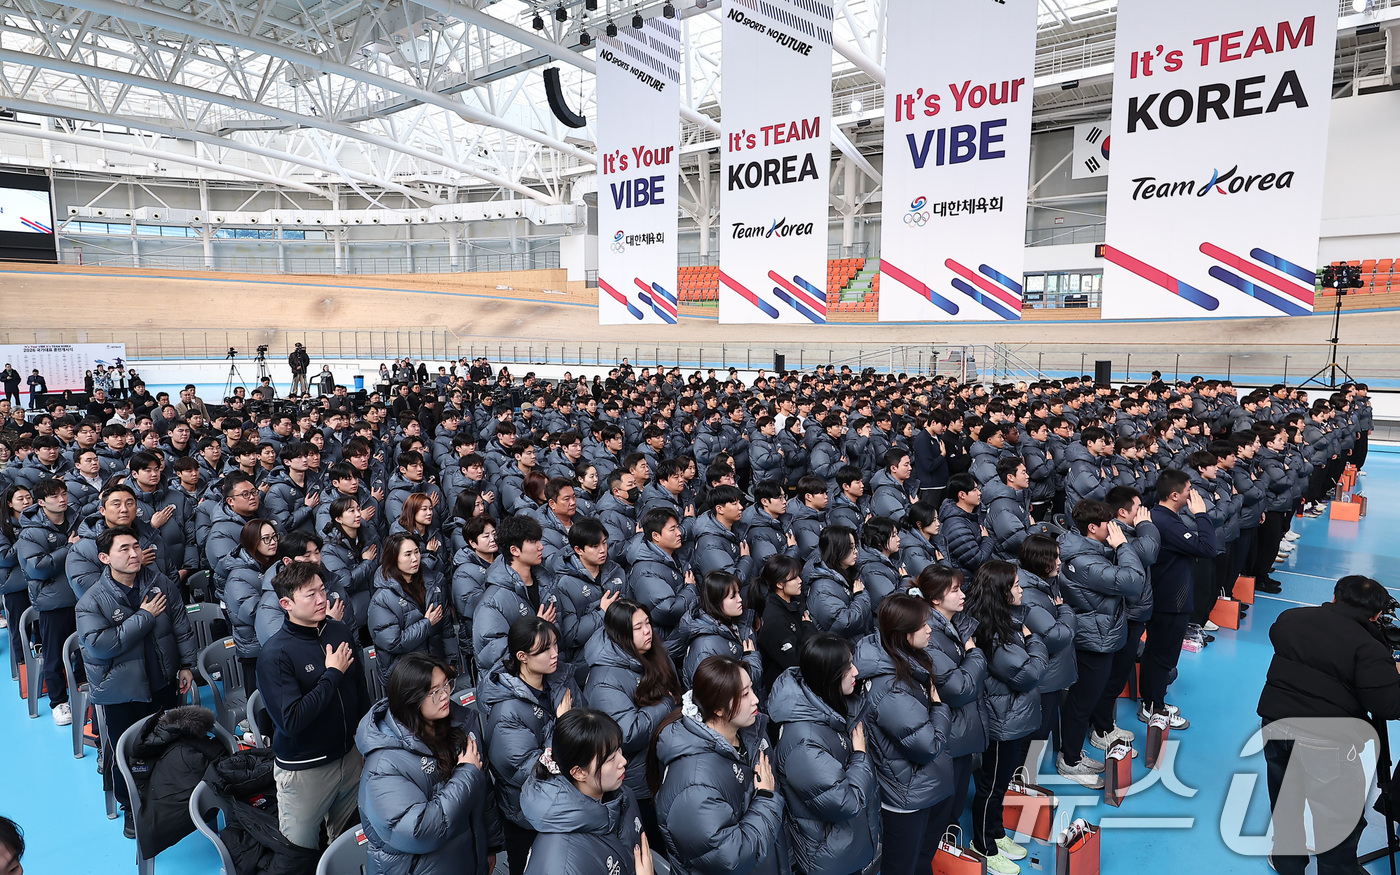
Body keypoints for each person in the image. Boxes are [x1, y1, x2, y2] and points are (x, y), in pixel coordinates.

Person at [1258, 575, 1400, 875]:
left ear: (1335, 597)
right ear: (1375, 615)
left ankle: (1288, 863)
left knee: (1285, 801)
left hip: (1275, 724)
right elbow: (1388, 706)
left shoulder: (1290, 618)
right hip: (1326, 741)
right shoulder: (1368, 648)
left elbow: (1281, 639)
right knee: (1339, 818)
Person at [75, 525, 195, 836]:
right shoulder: (92, 600)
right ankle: (131, 807)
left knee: (168, 744)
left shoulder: (160, 583)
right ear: (105, 557)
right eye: (124, 549)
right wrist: (143, 616)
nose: (133, 554)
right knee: (128, 753)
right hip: (121, 691)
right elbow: (101, 645)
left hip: (162, 680)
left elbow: (180, 624)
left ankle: (169, 801)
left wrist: (186, 664)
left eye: (136, 547)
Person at [256, 561, 370, 851]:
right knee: (298, 854)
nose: (323, 600)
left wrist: (366, 740)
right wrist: (332, 674)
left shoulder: (338, 631)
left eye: (323, 590)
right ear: (286, 603)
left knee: (351, 844)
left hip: (350, 757)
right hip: (305, 770)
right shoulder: (276, 654)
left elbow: (359, 690)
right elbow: (291, 721)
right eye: (310, 595)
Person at [356, 652, 494, 875]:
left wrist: (489, 846)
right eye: (433, 692)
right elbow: (419, 832)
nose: (445, 695)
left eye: (446, 685)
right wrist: (466, 773)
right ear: (410, 699)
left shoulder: (454, 728)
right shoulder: (382, 766)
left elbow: (482, 793)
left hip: (465, 859)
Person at [649, 654, 787, 875]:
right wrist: (765, 799)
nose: (755, 700)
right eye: (744, 694)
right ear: (719, 709)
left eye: (752, 689)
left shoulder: (748, 730)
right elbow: (731, 857)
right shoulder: (693, 785)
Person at [853, 594, 952, 875]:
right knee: (902, 867)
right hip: (907, 796)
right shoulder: (889, 688)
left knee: (920, 862)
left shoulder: (907, 661)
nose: (930, 629)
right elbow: (927, 744)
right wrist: (939, 707)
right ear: (904, 634)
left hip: (923, 787)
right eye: (923, 626)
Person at [768, 633, 880, 875]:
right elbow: (847, 802)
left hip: (846, 846)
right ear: (829, 676)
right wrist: (860, 755)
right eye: (848, 667)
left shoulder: (833, 706)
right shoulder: (803, 743)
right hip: (830, 859)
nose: (856, 672)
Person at [1056, 499, 1147, 789]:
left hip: (1099, 632)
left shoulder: (1086, 549)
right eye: (1109, 523)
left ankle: (1077, 751)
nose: (1115, 527)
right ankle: (1069, 761)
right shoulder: (1085, 562)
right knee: (1083, 701)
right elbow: (1133, 581)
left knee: (1089, 697)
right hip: (1093, 638)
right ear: (1092, 528)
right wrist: (1123, 546)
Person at [965, 560, 1049, 875]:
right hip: (1003, 722)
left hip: (1014, 717)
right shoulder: (991, 632)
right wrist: (1034, 640)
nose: (1021, 589)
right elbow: (1028, 673)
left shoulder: (1004, 620)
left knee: (1000, 783)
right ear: (1000, 593)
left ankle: (997, 833)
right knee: (992, 786)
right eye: (1014, 585)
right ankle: (983, 846)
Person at [479, 616, 580, 875]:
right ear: (522, 656)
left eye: (556, 645)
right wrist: (561, 724)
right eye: (544, 650)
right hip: (529, 816)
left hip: (572, 798)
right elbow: (530, 770)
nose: (554, 654)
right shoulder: (506, 713)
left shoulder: (560, 679)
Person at [909, 564, 988, 840]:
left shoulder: (954, 623)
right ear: (935, 600)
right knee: (944, 812)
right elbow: (959, 687)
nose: (963, 595)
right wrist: (974, 653)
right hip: (949, 732)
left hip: (961, 729)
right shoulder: (930, 637)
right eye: (955, 591)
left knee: (953, 805)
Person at [520, 708, 647, 875]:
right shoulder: (559, 865)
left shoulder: (622, 795)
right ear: (578, 772)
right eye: (610, 759)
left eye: (619, 750)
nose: (623, 761)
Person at [1141, 469, 1216, 729]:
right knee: (1164, 655)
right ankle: (1154, 707)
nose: (1191, 495)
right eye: (1187, 491)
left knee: (1156, 652)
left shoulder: (1160, 516)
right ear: (1174, 495)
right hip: (1171, 600)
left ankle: (1151, 701)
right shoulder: (1166, 522)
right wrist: (1202, 514)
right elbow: (1207, 548)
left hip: (1166, 596)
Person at [16, 478, 80, 725]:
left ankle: (84, 693)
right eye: (54, 496)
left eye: (64, 493)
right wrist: (68, 547)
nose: (62, 499)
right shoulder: (30, 532)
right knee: (54, 654)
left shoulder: (77, 520)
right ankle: (58, 702)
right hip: (53, 601)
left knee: (85, 652)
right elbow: (38, 569)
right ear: (41, 502)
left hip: (81, 596)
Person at [369, 531, 448, 685]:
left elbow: (446, 627)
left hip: (435, 665)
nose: (415, 559)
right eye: (407, 554)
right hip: (406, 675)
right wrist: (426, 624)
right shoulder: (382, 599)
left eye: (417, 552)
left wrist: (450, 660)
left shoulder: (431, 583)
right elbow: (393, 642)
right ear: (394, 558)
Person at [221, 518, 281, 693]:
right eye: (266, 539)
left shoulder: (275, 564)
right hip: (254, 647)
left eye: (275, 537)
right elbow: (252, 613)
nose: (273, 542)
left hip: (274, 640)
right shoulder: (238, 576)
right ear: (252, 542)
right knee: (260, 701)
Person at [672, 570, 761, 688]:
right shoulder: (705, 647)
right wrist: (751, 660)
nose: (740, 599)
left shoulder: (737, 621)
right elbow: (719, 692)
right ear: (716, 602)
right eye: (733, 596)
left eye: (739, 593)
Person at [805, 525, 870, 640]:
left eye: (855, 546)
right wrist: (860, 596)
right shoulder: (822, 588)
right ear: (836, 550)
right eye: (850, 548)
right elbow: (844, 623)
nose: (856, 552)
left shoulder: (848, 573)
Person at [0, 485, 34, 672]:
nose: (26, 501)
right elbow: (4, 557)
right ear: (10, 503)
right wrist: (27, 535)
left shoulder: (38, 521)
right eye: (20, 499)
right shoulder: (3, 526)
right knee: (20, 628)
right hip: (15, 583)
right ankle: (22, 668)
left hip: (38, 581)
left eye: (28, 497)